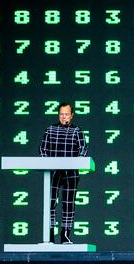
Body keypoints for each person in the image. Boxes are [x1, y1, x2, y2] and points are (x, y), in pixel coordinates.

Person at [39, 102, 88, 244]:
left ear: (72, 115)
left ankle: (65, 235)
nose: (64, 116)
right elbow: (42, 149)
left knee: (68, 204)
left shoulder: (77, 130)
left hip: (70, 173)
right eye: (61, 114)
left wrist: (79, 159)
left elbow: (83, 149)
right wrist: (45, 161)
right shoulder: (50, 129)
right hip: (53, 172)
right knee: (50, 203)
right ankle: (49, 234)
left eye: (66, 114)